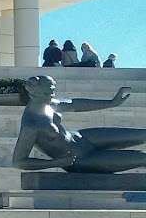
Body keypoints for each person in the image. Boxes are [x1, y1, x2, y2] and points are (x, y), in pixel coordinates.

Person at [12, 74, 145, 174]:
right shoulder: (31, 125)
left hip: (84, 138)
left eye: (53, 90)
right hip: (80, 158)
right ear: (34, 92)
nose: (53, 94)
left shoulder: (50, 103)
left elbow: (74, 104)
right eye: (49, 91)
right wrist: (55, 163)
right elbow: (19, 161)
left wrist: (111, 103)